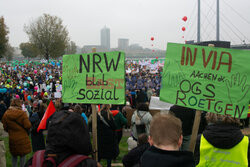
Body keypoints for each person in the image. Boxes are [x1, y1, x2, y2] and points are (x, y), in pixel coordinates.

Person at [2, 99, 32, 167]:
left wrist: (10, 131)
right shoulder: (22, 113)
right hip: (22, 137)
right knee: (22, 156)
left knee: (14, 156)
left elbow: (4, 127)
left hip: (12, 137)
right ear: (19, 104)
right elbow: (28, 126)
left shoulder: (6, 114)